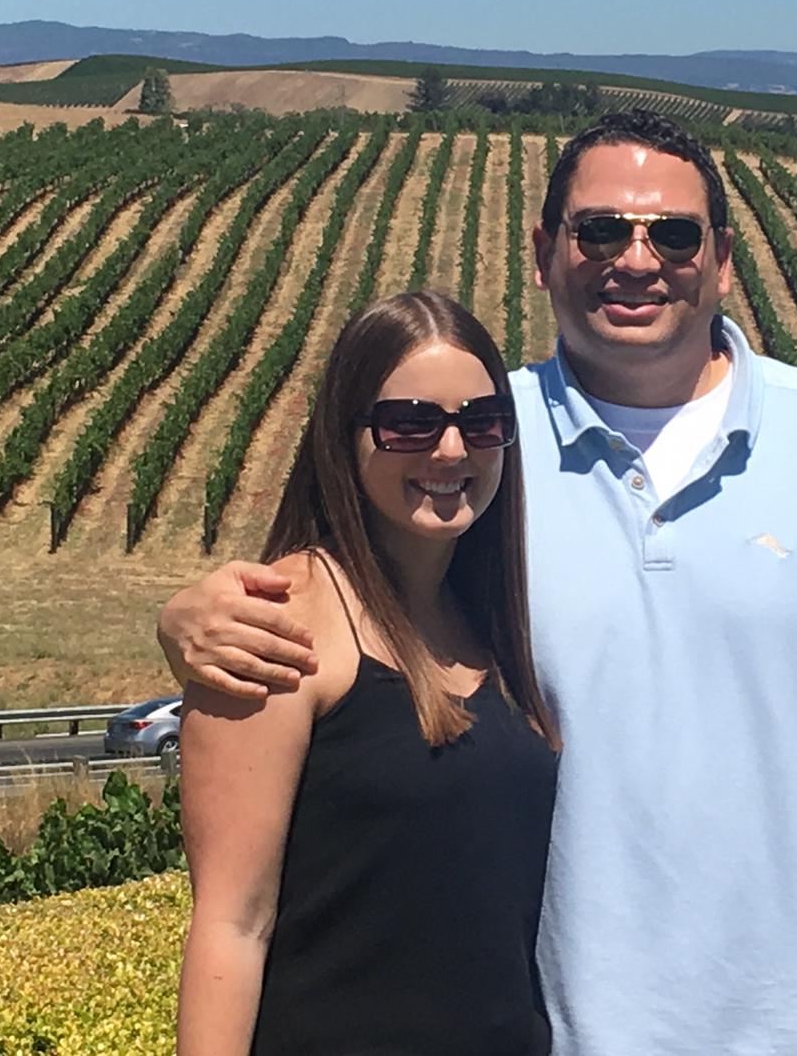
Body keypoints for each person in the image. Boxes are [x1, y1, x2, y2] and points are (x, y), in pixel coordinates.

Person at [163, 110, 797, 1056]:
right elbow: (347, 591)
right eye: (600, 230)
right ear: (545, 253)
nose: (636, 259)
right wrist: (183, 616)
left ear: (722, 260)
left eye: (674, 234)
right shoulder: (479, 448)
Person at [175, 290, 559, 1056]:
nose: (450, 450)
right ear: (344, 436)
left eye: (482, 422)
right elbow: (231, 926)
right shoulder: (277, 623)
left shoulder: (494, 624)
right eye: (410, 423)